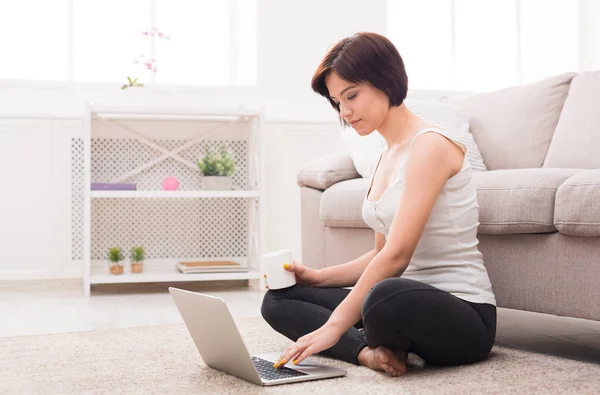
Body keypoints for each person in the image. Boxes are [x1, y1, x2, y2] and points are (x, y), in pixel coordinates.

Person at [260, 32, 496, 377]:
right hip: (395, 303)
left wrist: (333, 325)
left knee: (382, 297)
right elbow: (377, 254)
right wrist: (318, 277)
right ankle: (367, 353)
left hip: (464, 315)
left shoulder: (430, 145)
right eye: (337, 101)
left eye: (351, 95)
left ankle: (359, 334)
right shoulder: (383, 157)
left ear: (386, 80)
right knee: (279, 298)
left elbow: (396, 256)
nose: (345, 111)